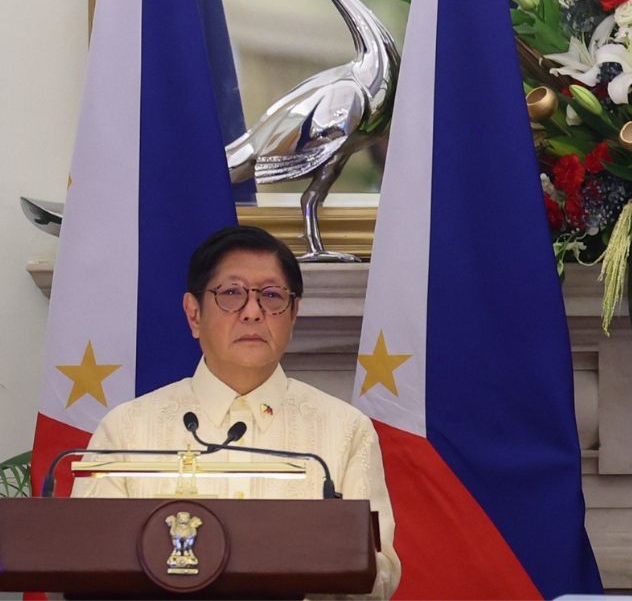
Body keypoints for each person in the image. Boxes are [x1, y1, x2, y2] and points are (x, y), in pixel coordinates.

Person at [72, 225, 401, 597]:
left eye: (272, 296)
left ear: (293, 315)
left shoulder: (345, 429)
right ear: (194, 314)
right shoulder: (126, 430)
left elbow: (380, 573)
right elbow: (85, 567)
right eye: (231, 293)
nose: (252, 312)